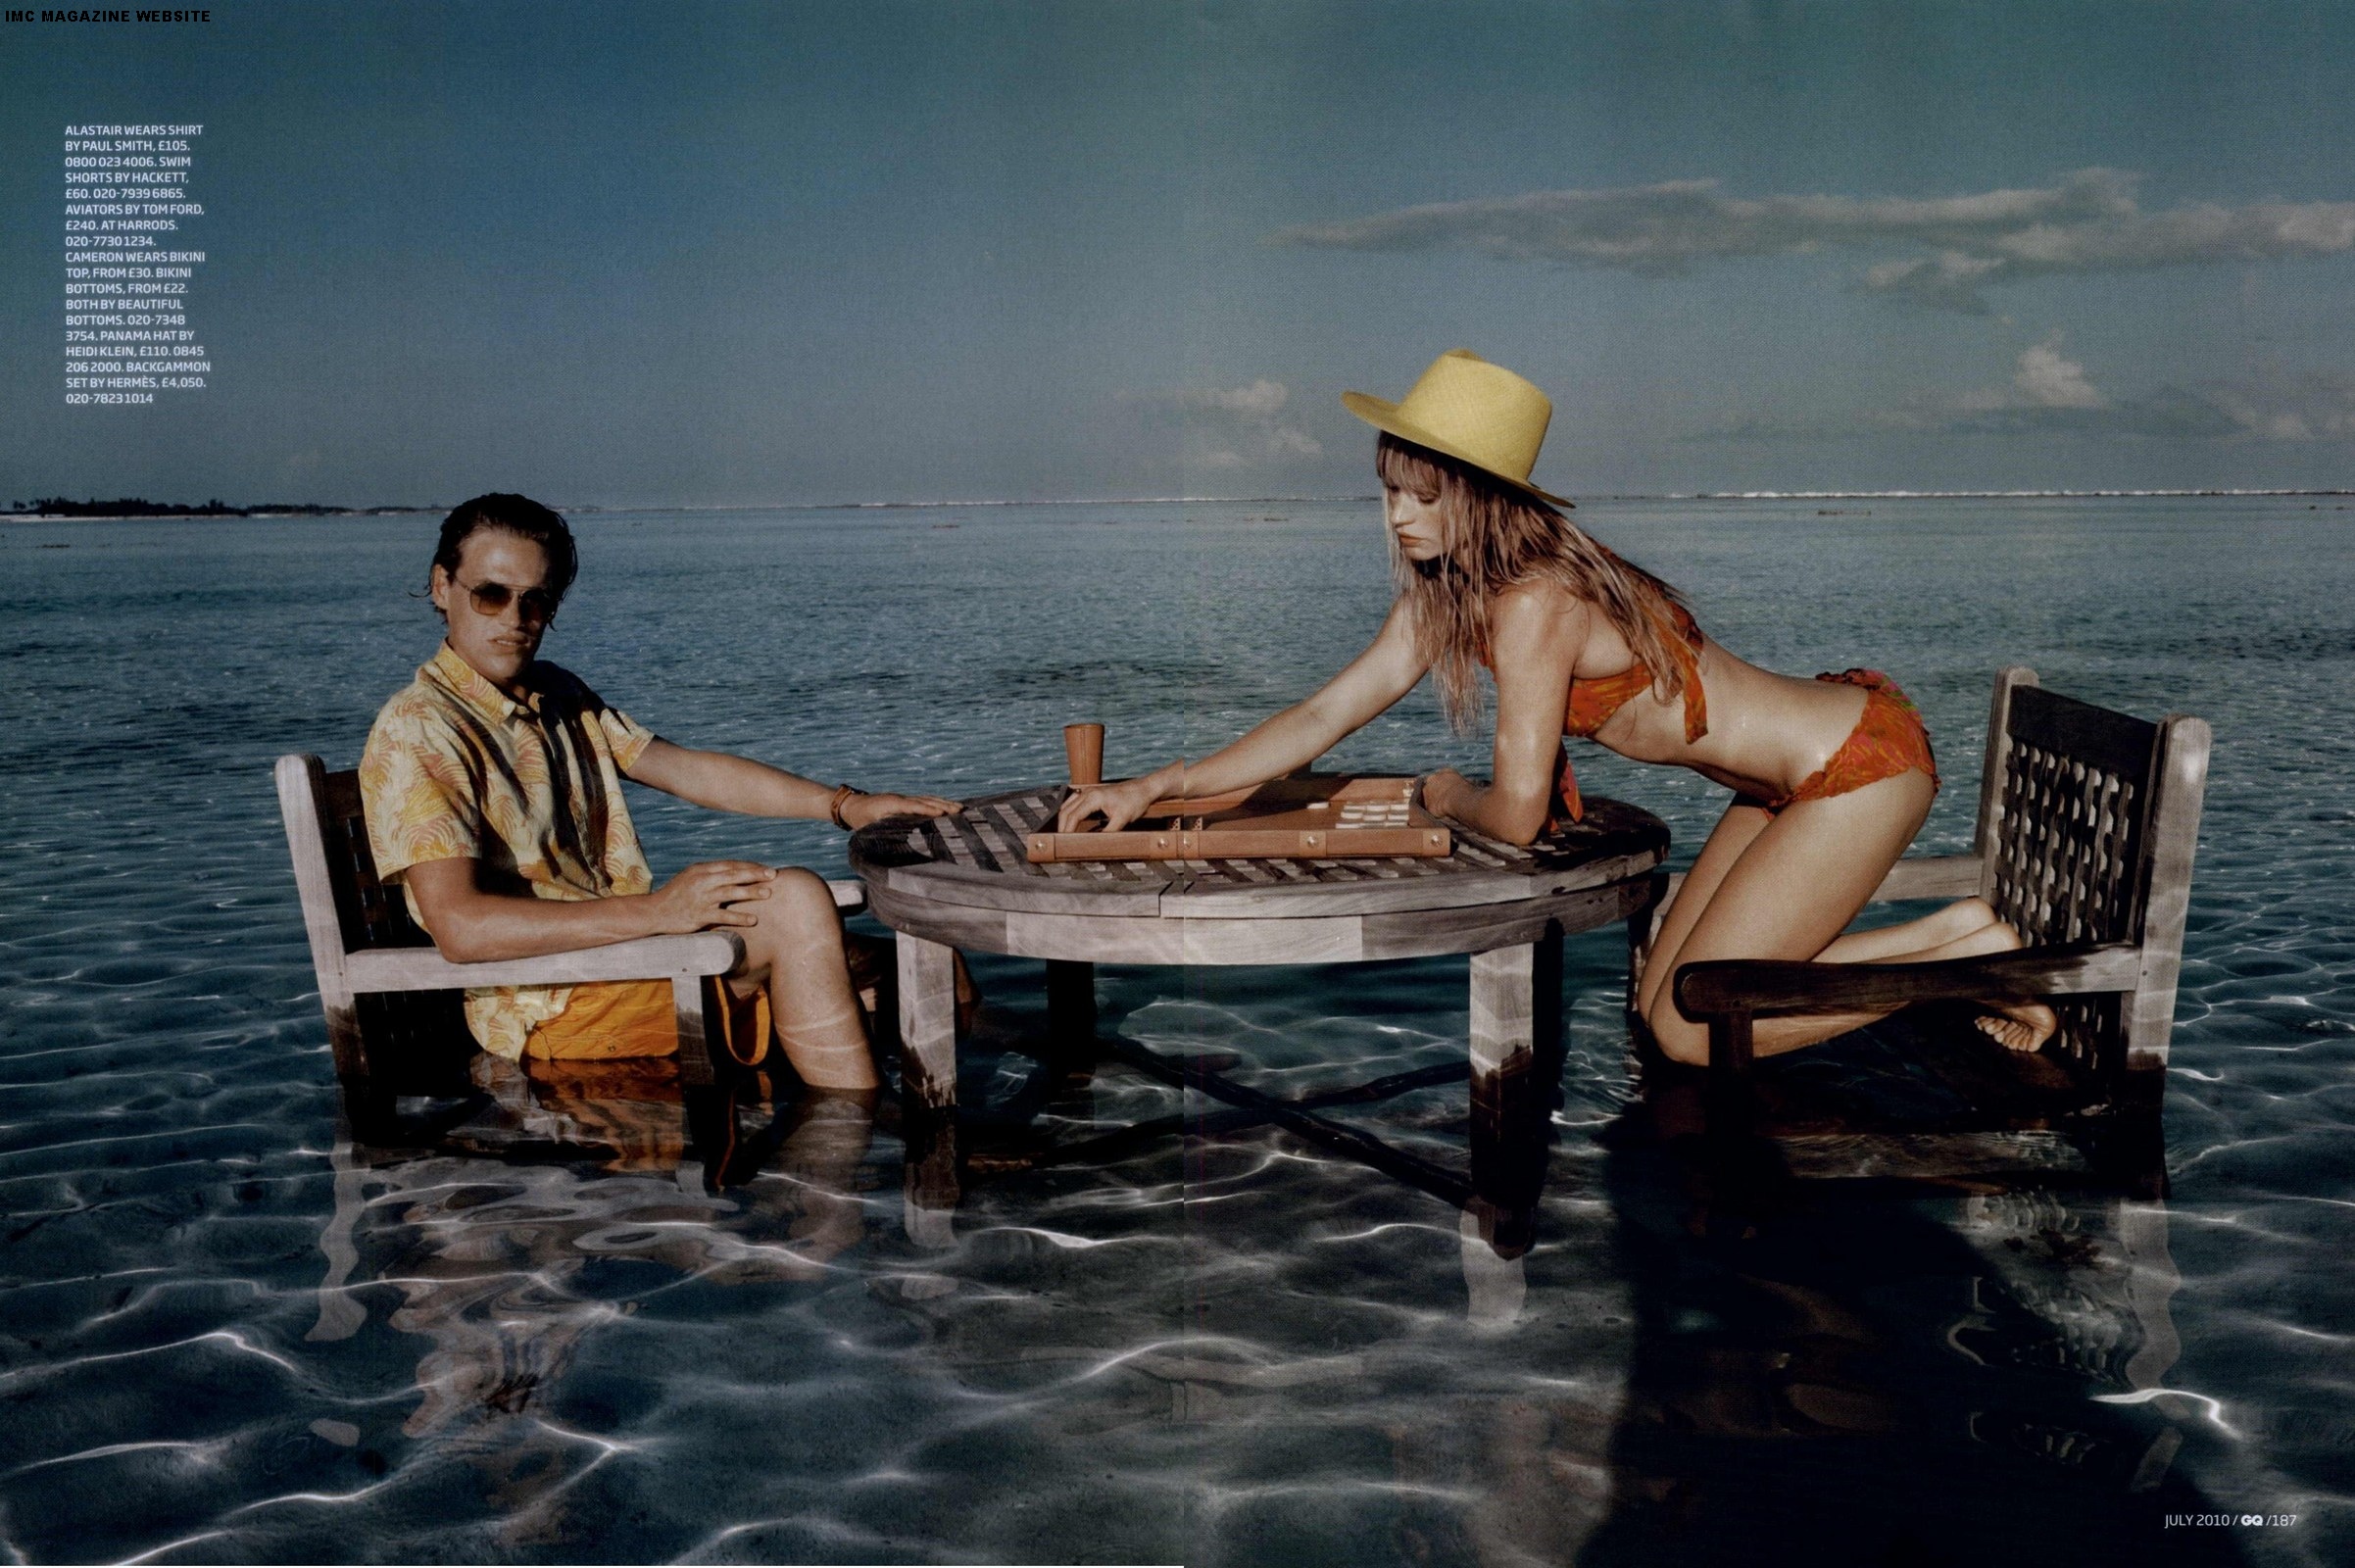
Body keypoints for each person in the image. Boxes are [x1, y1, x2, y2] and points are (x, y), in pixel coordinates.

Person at [1057, 351, 2054, 1063]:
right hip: (1787, 779)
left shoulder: (1537, 602)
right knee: (1660, 999)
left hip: (1856, 769)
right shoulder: (1451, 596)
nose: (1399, 516)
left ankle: (1964, 971)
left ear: (1481, 496)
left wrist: (1446, 796)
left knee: (1689, 1030)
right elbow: (1322, 716)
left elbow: (1516, 813)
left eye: (1424, 496)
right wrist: (1155, 788)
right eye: (1389, 492)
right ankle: (1965, 941)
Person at [361, 492, 961, 1090]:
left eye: (536, 599)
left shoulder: (555, 694)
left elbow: (687, 770)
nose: (515, 619)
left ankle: (982, 1101)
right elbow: (460, 927)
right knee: (799, 902)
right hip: (554, 1004)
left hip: (624, 957)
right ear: (442, 587)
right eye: (491, 594)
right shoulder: (421, 727)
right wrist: (660, 911)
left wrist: (847, 806)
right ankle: (860, 1131)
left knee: (928, 959)